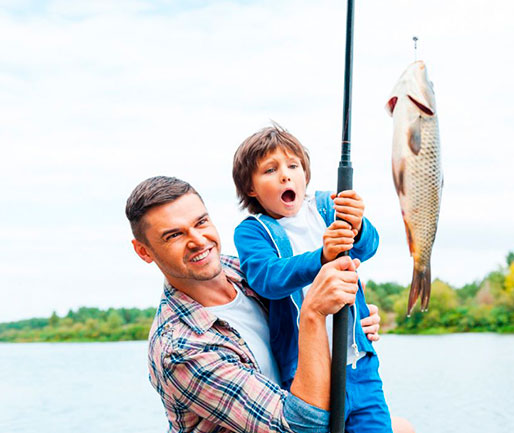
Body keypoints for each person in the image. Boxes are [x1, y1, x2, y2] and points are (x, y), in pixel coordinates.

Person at [126, 176, 388, 433]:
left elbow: (304, 287)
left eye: (201, 222)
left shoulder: (248, 271)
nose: (198, 240)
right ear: (144, 251)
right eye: (173, 235)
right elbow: (301, 427)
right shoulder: (180, 350)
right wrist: (314, 314)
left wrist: (350, 319)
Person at [232, 125, 392, 433]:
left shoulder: (326, 207)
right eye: (270, 170)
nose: (285, 175)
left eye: (293, 166)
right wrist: (322, 257)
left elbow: (367, 247)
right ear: (250, 187)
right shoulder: (252, 231)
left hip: (359, 363)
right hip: (307, 371)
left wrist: (358, 224)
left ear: (306, 173)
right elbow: (268, 277)